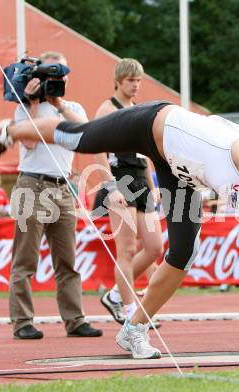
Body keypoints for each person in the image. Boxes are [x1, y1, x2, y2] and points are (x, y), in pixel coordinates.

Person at [0, 101, 239, 358]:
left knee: (183, 254)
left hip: (179, 172)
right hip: (155, 123)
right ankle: (8, 131)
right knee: (78, 138)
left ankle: (133, 329)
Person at [7, 50, 102, 340]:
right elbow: (28, 142)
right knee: (25, 259)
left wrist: (57, 102)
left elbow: (84, 133)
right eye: (51, 73)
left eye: (61, 73)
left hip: (62, 187)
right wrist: (34, 103)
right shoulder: (24, 108)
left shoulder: (71, 107)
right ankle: (22, 321)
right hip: (31, 185)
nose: (57, 78)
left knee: (68, 260)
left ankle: (75, 320)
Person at [93, 59, 163, 327]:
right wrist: (110, 185)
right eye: (131, 80)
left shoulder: (138, 110)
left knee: (155, 247)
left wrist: (153, 185)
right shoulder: (107, 109)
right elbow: (97, 150)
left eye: (138, 81)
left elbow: (144, 154)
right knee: (126, 248)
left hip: (140, 179)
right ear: (119, 80)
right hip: (119, 178)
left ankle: (113, 294)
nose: (135, 85)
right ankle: (130, 308)